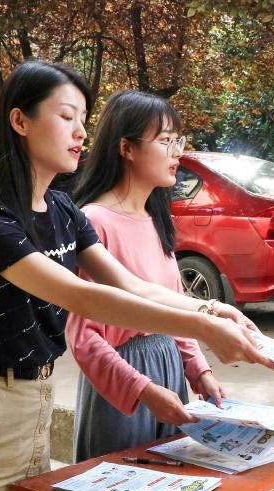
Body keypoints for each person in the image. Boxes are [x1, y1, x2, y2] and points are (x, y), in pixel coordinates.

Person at [0, 61, 273, 491]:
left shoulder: (62, 210)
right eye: (66, 117)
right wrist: (202, 327)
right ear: (20, 121)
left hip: (34, 398)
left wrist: (212, 308)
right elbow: (81, 297)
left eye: (84, 120)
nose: (81, 132)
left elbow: (129, 283)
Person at [66, 90, 226, 462]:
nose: (177, 153)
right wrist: (142, 389)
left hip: (168, 372)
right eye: (166, 141)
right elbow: (84, 338)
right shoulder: (94, 222)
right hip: (122, 384)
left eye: (178, 141)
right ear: (127, 147)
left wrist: (198, 371)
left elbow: (174, 310)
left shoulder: (157, 220)